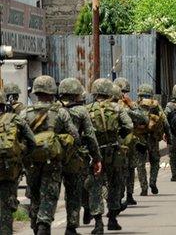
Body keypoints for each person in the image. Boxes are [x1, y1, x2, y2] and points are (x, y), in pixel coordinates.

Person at [21, 75, 81, 235]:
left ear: (35, 92)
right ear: (52, 92)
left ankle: (35, 224)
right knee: (49, 194)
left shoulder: (24, 113)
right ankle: (44, 224)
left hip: (31, 161)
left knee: (34, 194)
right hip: (52, 161)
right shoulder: (60, 112)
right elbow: (75, 135)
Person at [86, 78, 133, 232]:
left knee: (95, 187)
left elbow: (82, 131)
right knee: (115, 185)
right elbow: (129, 125)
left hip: (95, 153)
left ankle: (98, 223)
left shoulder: (87, 109)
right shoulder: (118, 108)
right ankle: (112, 219)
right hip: (114, 152)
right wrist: (118, 135)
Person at [58, 78, 102, 235]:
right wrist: (96, 157)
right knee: (76, 190)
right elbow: (90, 135)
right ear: (76, 94)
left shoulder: (55, 109)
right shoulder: (81, 111)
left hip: (55, 156)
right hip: (77, 157)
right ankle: (73, 225)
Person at [0, 90, 36, 235]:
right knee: (6, 208)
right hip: (8, 171)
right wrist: (20, 156)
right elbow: (32, 142)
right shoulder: (15, 119)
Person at [114, 77, 148, 207]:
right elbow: (143, 118)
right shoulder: (125, 107)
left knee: (127, 169)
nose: (126, 95)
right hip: (126, 143)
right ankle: (124, 195)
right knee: (126, 170)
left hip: (123, 143)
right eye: (124, 92)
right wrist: (131, 104)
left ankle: (126, 195)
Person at [136, 84, 170, 195]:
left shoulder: (136, 105)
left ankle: (143, 187)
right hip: (153, 139)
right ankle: (153, 181)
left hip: (139, 139)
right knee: (155, 161)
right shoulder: (155, 106)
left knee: (140, 163)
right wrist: (168, 136)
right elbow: (165, 121)